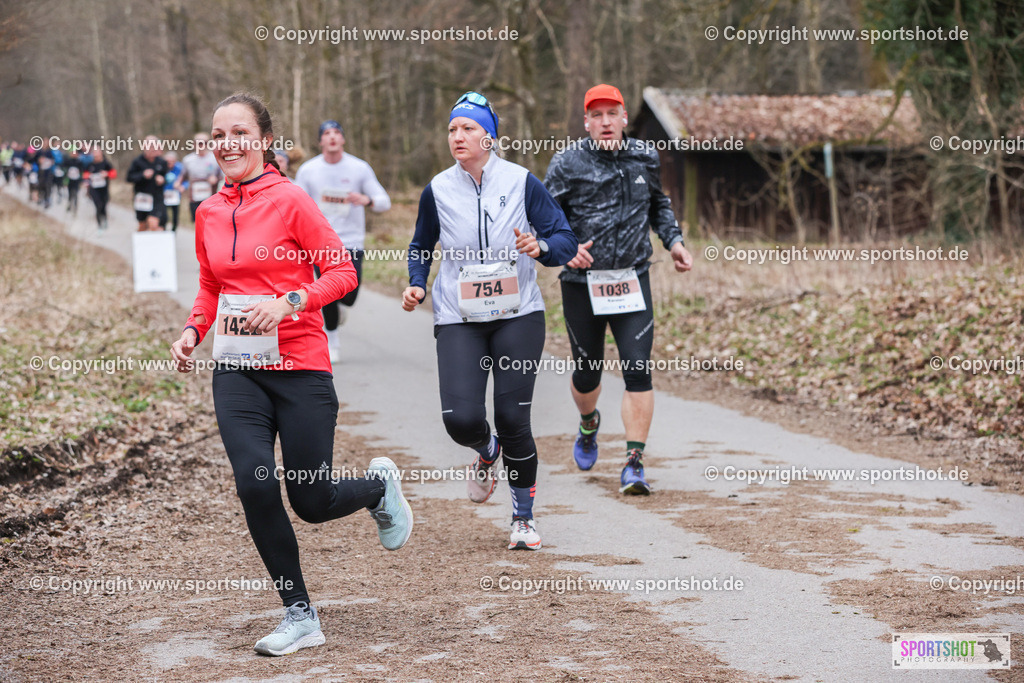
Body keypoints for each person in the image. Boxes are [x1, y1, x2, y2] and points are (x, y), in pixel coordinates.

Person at [169, 92, 413, 656]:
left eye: (238, 133)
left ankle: (378, 486)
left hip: (300, 365)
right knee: (254, 482)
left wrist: (289, 302)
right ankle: (299, 613)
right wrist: (191, 332)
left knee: (312, 500)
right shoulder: (208, 211)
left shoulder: (291, 200)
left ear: (263, 142)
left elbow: (342, 272)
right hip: (237, 369)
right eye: (218, 134)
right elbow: (211, 287)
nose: (227, 143)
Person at [402, 92, 577, 550]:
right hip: (458, 315)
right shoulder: (437, 189)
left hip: (518, 314)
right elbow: (420, 244)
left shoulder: (522, 182)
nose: (457, 137)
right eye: (451, 130)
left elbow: (564, 238)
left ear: (490, 138)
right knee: (460, 419)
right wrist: (417, 282)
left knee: (512, 416)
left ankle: (523, 517)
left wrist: (541, 249)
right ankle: (486, 450)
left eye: (467, 129)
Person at [544, 83, 694, 495]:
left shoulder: (645, 155)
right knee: (587, 371)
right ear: (587, 122)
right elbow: (544, 215)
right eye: (597, 115)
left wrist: (675, 242)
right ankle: (588, 424)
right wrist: (565, 249)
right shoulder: (567, 162)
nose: (606, 122)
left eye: (613, 113)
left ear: (624, 118)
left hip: (632, 279)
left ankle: (633, 462)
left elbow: (658, 204)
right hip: (582, 284)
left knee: (637, 370)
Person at [295, 120, 391, 362]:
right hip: (320, 243)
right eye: (326, 133)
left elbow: (384, 201)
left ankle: (339, 308)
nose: (332, 137)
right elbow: (295, 205)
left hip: (351, 242)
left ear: (343, 139)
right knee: (327, 291)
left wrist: (366, 200)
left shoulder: (359, 168)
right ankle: (333, 339)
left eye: (337, 132)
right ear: (320, 141)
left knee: (348, 295)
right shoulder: (308, 170)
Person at [126, 136, 168, 231]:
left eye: (155, 146)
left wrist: (162, 180)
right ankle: (142, 243)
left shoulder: (162, 162)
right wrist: (142, 175)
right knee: (142, 224)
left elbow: (167, 178)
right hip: (142, 197)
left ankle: (158, 243)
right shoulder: (137, 162)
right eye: (150, 146)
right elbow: (129, 178)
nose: (153, 149)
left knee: (154, 223)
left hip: (157, 197)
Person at [181, 132, 222, 223]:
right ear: (194, 144)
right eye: (199, 143)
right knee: (198, 223)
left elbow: (222, 177)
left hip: (212, 197)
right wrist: (179, 185)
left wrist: (216, 178)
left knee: (211, 223)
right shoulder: (188, 160)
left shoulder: (215, 158)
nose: (202, 145)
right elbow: (183, 177)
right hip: (194, 197)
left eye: (204, 142)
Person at [86, 148, 114, 231]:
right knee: (98, 206)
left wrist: (107, 174)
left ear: (101, 153)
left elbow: (113, 174)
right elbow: (85, 174)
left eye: (97, 152)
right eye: (94, 153)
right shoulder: (90, 165)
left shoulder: (106, 163)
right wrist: (88, 177)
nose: (95, 155)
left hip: (104, 189)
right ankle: (99, 226)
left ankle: (104, 218)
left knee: (103, 205)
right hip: (94, 190)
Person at [163, 151, 184, 232]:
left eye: (172, 162)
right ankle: (163, 231)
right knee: (164, 216)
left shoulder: (180, 168)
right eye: (167, 162)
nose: (169, 164)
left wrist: (182, 186)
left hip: (175, 195)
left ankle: (173, 232)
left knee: (175, 216)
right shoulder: (161, 166)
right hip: (163, 195)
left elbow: (186, 180)